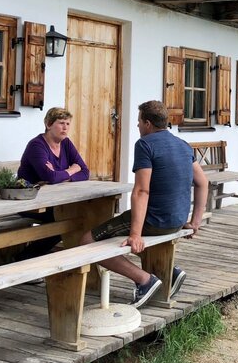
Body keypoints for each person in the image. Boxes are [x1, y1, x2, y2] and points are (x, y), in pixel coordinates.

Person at [80, 100, 208, 307]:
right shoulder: (183, 145)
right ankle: (170, 272)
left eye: (139, 121)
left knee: (87, 241)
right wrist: (195, 222)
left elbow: (141, 190)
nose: (138, 126)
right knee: (125, 232)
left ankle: (145, 280)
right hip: (176, 221)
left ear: (148, 123)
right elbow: (203, 182)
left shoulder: (145, 144)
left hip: (154, 221)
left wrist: (135, 235)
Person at [15, 107, 90, 260]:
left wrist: (61, 175)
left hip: (52, 201)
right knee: (63, 220)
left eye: (68, 124)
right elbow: (50, 176)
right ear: (49, 124)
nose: (65, 128)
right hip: (29, 202)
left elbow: (85, 171)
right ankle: (24, 258)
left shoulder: (66, 144)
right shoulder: (37, 145)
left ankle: (76, 260)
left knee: (75, 215)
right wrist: (70, 170)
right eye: (61, 123)